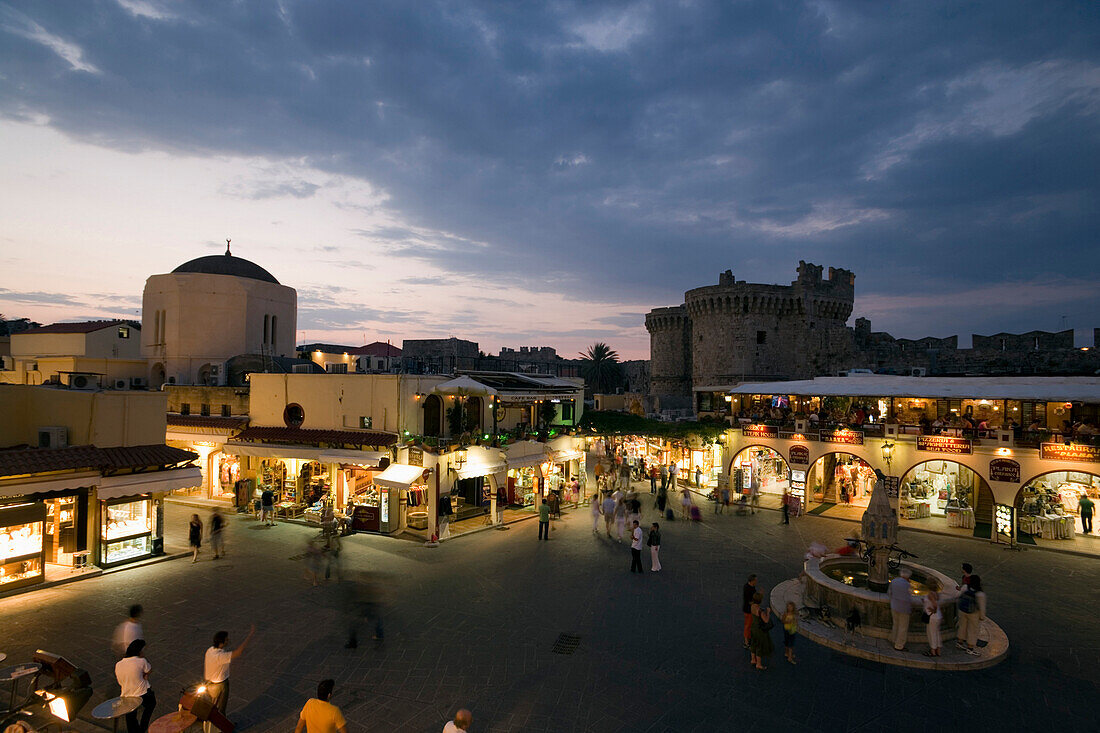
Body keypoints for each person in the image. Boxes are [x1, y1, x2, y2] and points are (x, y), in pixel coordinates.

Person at [203, 625, 256, 731]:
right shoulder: (220, 656)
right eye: (227, 639)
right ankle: (222, 728)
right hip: (220, 685)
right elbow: (238, 652)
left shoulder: (210, 651)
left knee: (213, 707)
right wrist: (250, 636)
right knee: (221, 709)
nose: (228, 641)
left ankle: (216, 725)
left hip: (209, 684)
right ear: (222, 642)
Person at [116, 639, 155, 733]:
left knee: (130, 716)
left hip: (126, 694)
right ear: (139, 651)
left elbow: (120, 682)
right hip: (142, 693)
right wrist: (144, 675)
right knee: (151, 704)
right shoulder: (141, 661)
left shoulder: (118, 664)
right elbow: (149, 670)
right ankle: (142, 728)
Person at [956, 575, 987, 656]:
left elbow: (960, 596)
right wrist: (982, 617)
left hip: (962, 610)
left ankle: (960, 642)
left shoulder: (965, 587)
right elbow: (982, 607)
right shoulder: (980, 594)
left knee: (962, 626)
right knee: (972, 630)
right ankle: (970, 648)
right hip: (973, 613)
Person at [887, 567, 915, 651]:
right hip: (904, 609)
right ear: (908, 577)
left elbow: (889, 593)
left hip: (894, 606)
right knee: (903, 627)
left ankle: (893, 639)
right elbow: (910, 596)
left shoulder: (894, 581)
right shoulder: (907, 585)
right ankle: (899, 645)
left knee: (895, 624)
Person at [748, 592, 773, 670]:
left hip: (753, 627)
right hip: (759, 630)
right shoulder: (760, 611)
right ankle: (758, 664)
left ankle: (753, 659)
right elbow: (766, 620)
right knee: (759, 646)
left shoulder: (752, 606)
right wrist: (768, 612)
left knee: (753, 643)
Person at [922, 585, 943, 657]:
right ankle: (938, 651)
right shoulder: (937, 594)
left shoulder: (930, 594)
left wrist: (934, 610)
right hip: (938, 616)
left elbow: (935, 604)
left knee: (932, 634)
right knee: (937, 633)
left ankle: (933, 651)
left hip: (932, 617)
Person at [741, 575, 757, 649]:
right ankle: (746, 641)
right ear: (752, 581)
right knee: (748, 625)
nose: (756, 582)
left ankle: (748, 638)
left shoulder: (749, 587)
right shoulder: (748, 589)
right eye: (755, 580)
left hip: (749, 609)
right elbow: (749, 600)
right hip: (748, 610)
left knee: (749, 625)